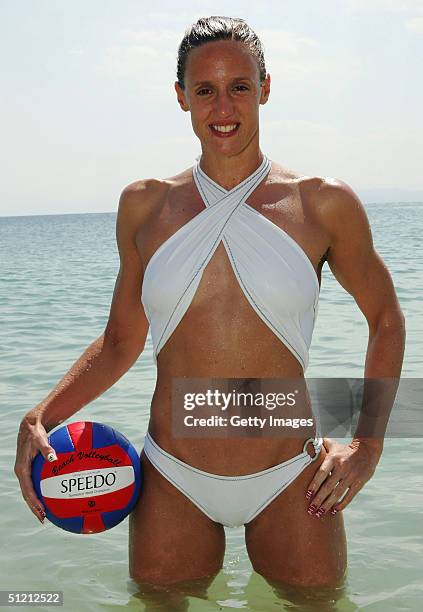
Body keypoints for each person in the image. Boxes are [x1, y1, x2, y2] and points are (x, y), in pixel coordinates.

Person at [15, 16, 405, 589]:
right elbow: (123, 341)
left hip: (290, 473)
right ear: (182, 98)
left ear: (265, 88)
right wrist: (40, 416)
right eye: (205, 90)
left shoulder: (323, 204)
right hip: (174, 477)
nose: (223, 107)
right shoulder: (145, 207)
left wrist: (368, 445)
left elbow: (387, 319)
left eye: (239, 87)